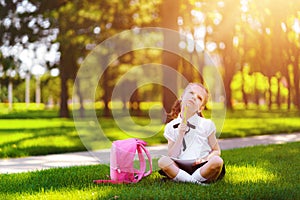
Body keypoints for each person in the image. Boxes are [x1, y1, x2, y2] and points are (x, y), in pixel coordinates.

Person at [158, 83, 225, 184]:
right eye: (191, 93)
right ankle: (196, 182)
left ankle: (184, 179)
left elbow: (216, 150)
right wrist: (180, 135)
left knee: (217, 161)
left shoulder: (206, 124)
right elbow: (172, 155)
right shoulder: (171, 127)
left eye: (199, 98)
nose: (194, 97)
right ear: (182, 97)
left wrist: (205, 159)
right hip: (180, 166)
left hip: (201, 166)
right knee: (163, 161)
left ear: (201, 108)